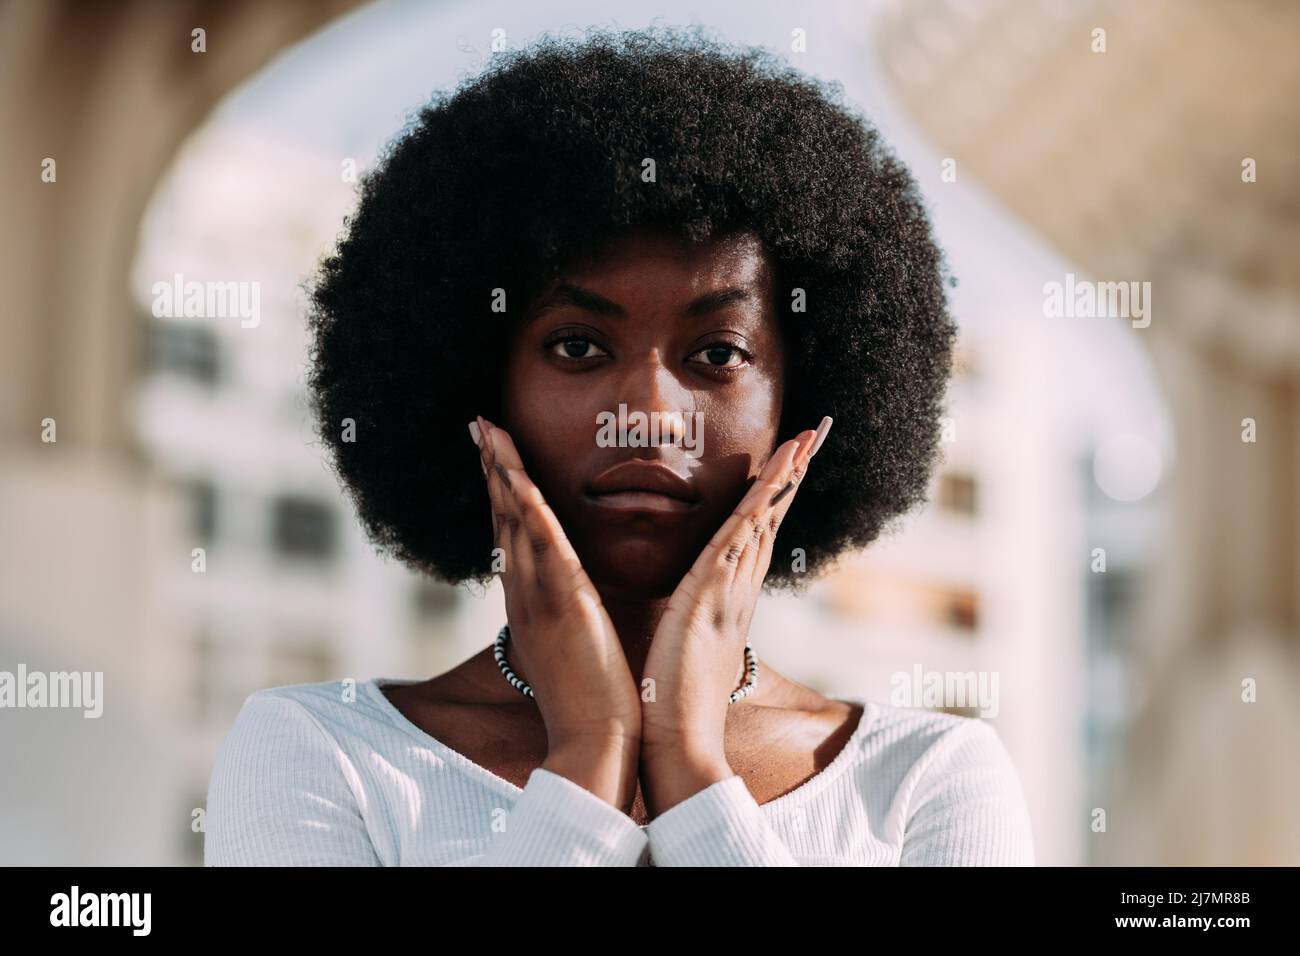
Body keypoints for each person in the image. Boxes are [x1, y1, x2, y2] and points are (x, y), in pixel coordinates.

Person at [205, 27, 1034, 867]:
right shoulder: (318, 754)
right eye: (576, 347)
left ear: (804, 405)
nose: (646, 412)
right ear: (477, 387)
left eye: (718, 354)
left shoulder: (927, 781)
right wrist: (589, 760)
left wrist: (694, 773)